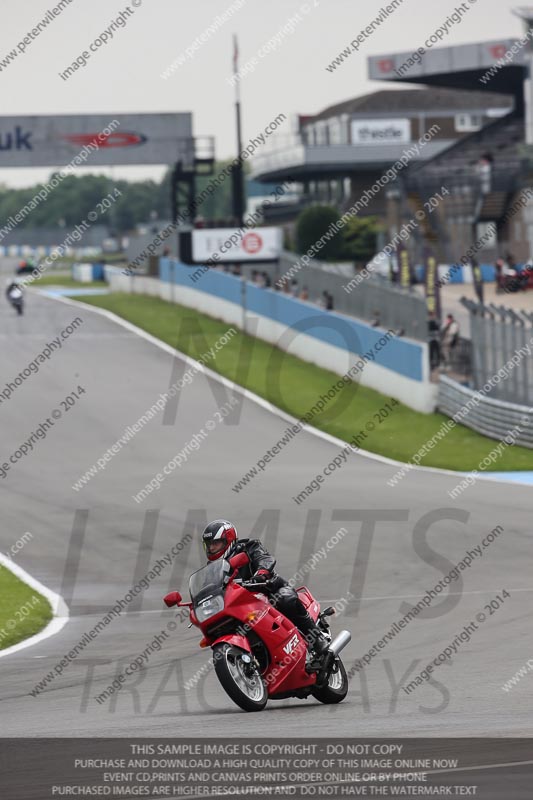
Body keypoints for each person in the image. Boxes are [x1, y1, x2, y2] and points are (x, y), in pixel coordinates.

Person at [201, 520, 329, 656]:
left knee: (285, 600)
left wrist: (261, 573)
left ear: (229, 540)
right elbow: (208, 591)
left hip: (269, 590)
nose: (212, 548)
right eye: (209, 545)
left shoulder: (249, 547)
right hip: (242, 606)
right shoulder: (212, 570)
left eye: (216, 544)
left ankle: (316, 637)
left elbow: (265, 558)